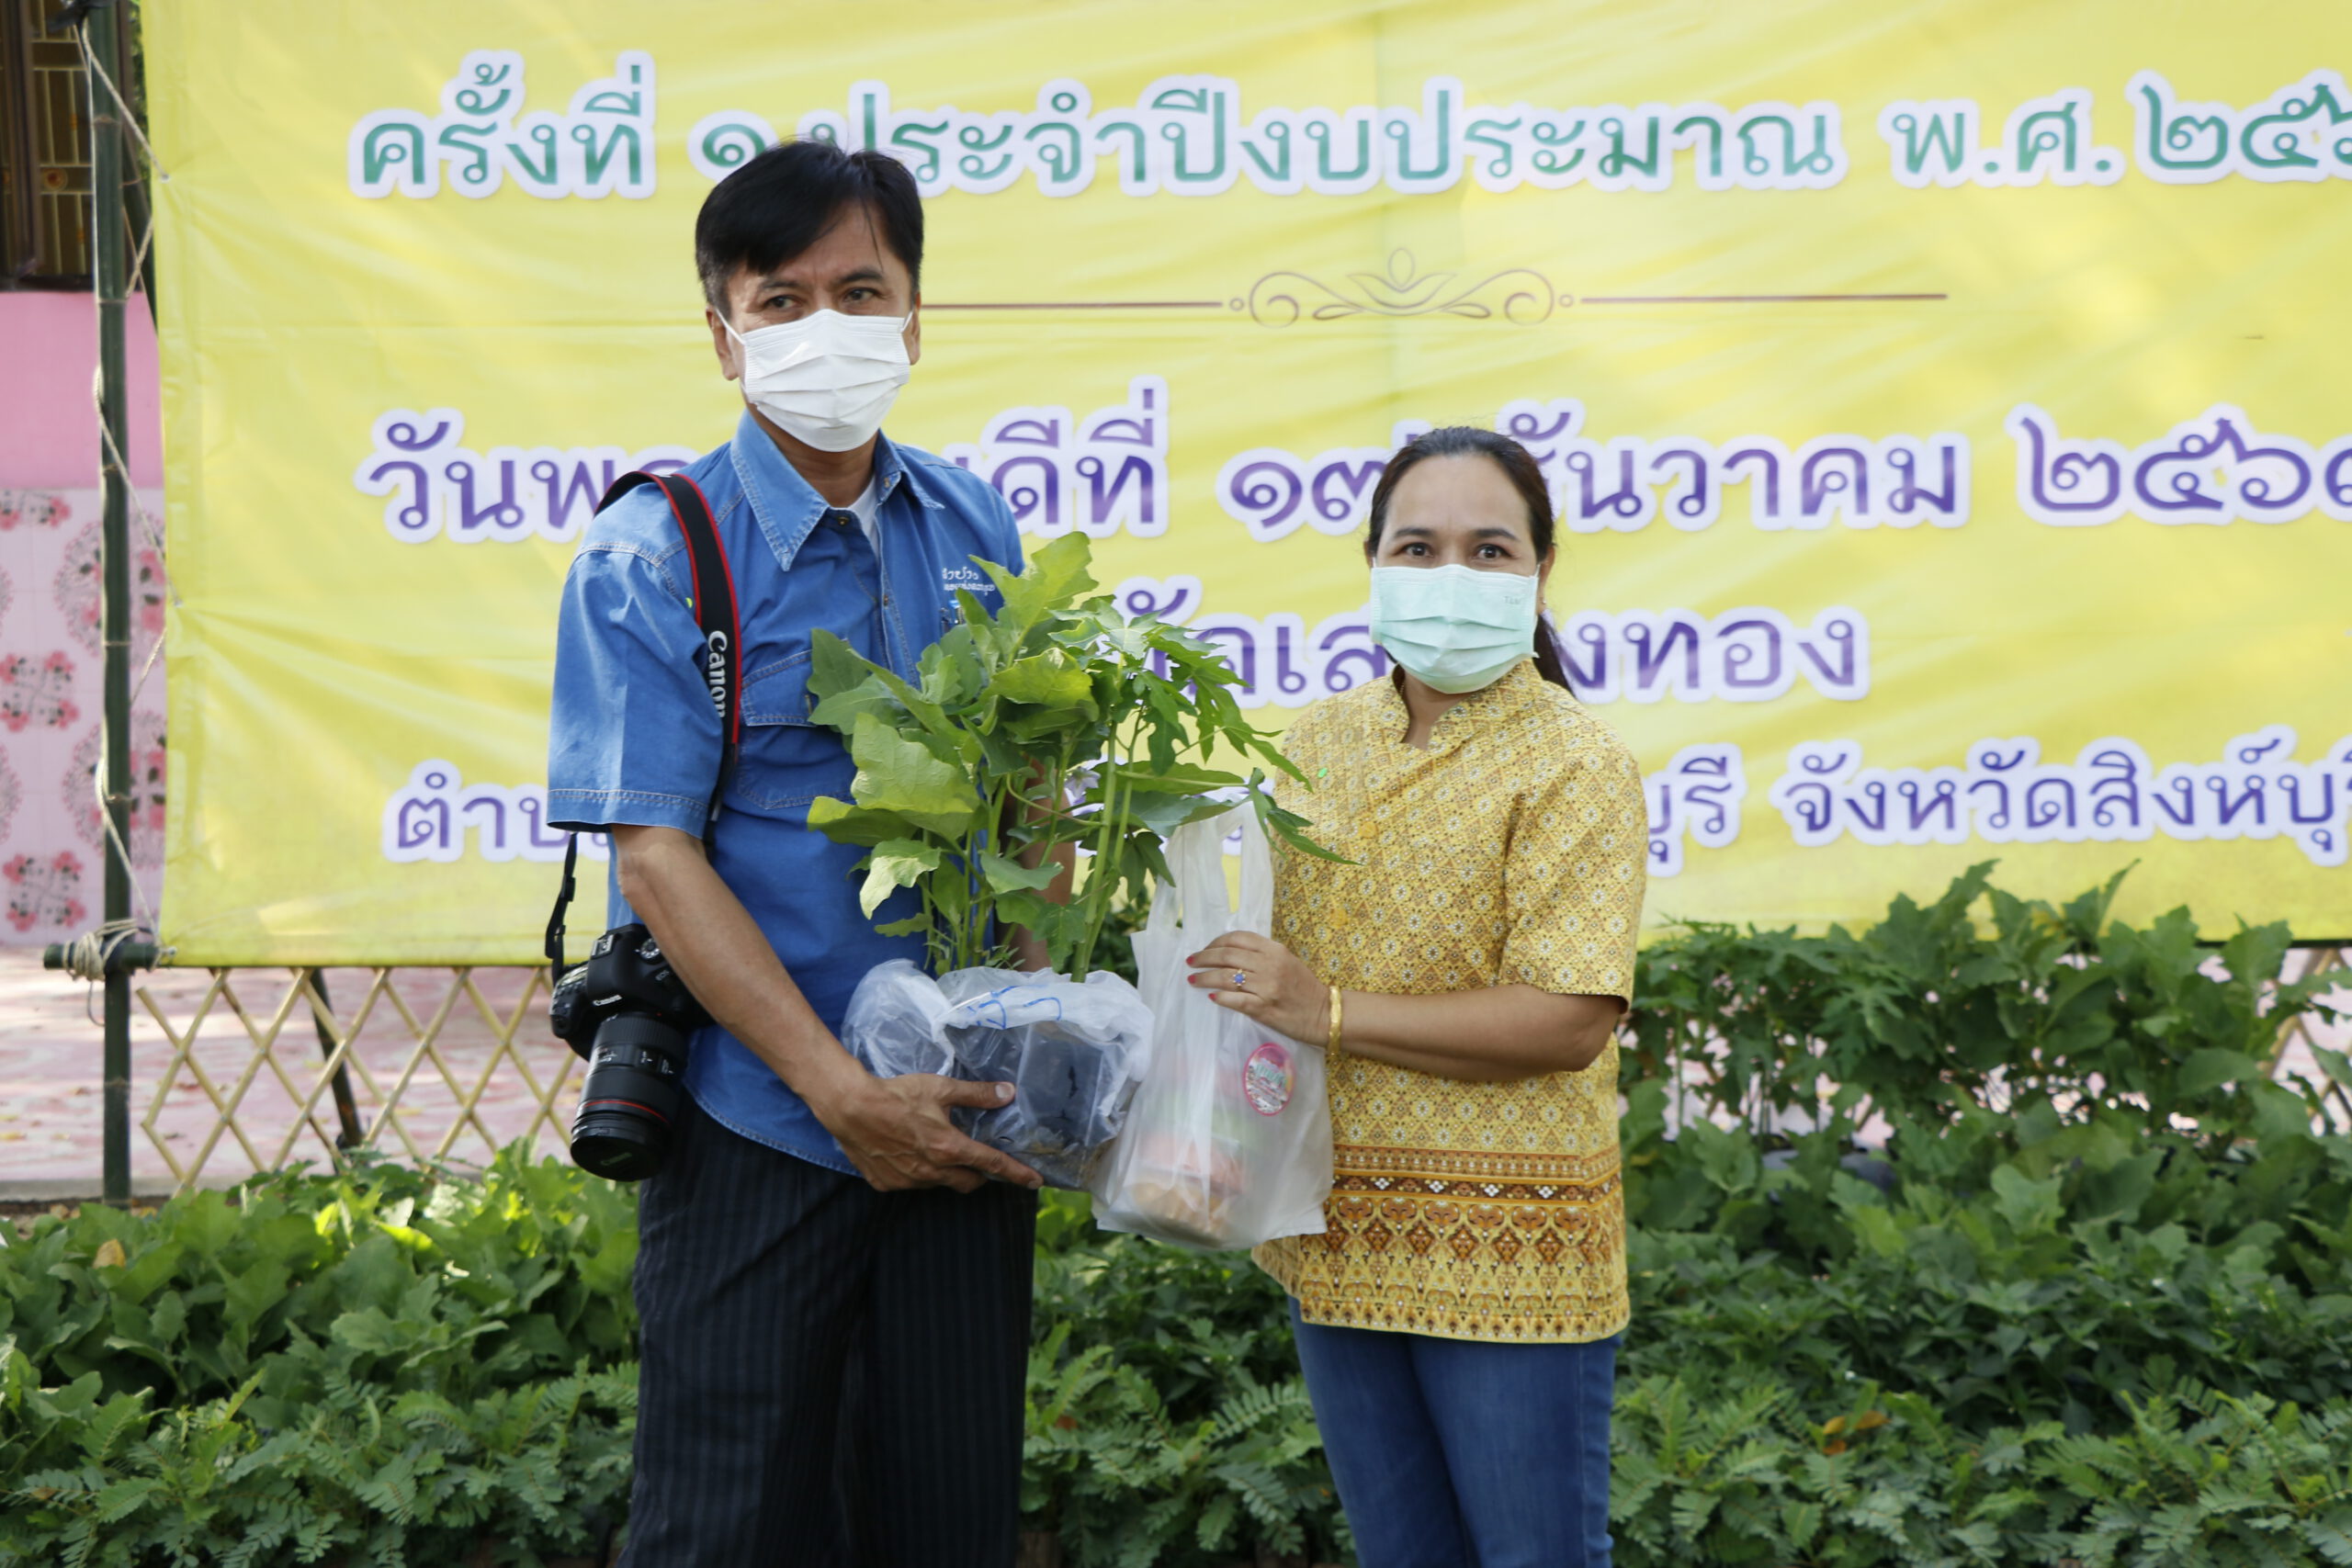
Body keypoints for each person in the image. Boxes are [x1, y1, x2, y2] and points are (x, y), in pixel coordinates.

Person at [547, 141, 1051, 1567]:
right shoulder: (654, 554)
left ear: (913, 317)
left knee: (946, 1521)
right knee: (726, 1525)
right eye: (782, 300)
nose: (825, 326)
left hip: (961, 1115)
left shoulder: (974, 523)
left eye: (860, 290)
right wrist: (841, 1093)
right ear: (725, 336)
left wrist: (1048, 1014)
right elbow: (657, 859)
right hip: (759, 1119)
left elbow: (1028, 801)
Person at [1185, 426, 1650, 1568]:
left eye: (1489, 550)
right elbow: (1258, 966)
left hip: (1510, 1242)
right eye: (1418, 547)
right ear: (1373, 563)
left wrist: (1332, 1012)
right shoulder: (1320, 741)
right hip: (1336, 1228)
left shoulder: (1576, 761)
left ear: (1541, 568)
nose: (1452, 575)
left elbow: (1569, 1016)